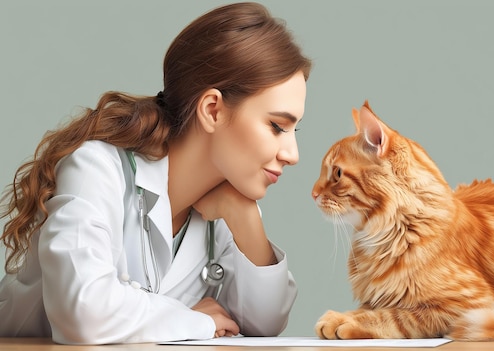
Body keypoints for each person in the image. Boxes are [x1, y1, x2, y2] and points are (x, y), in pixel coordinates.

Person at [0, 2, 311, 345]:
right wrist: (193, 320)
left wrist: (247, 218)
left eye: (295, 131)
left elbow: (264, 323)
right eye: (277, 126)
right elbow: (83, 313)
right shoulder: (97, 169)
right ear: (212, 110)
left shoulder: (226, 204)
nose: (292, 155)